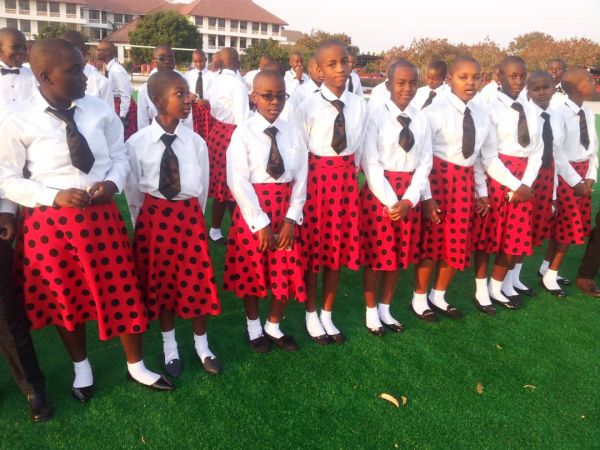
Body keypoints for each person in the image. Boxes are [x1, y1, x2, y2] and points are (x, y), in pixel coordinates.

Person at [0, 39, 173, 403]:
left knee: (121, 289)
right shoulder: (17, 120)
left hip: (101, 219)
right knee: (66, 296)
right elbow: (7, 178)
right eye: (74, 70)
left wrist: (112, 183)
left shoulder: (98, 109)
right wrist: (52, 195)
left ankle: (136, 364)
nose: (85, 75)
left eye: (83, 67)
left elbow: (120, 155)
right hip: (51, 224)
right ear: (45, 76)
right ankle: (82, 367)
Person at [125, 70, 221, 378]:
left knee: (196, 282)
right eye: (179, 94)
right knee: (163, 284)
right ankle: (170, 347)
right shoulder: (137, 143)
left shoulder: (196, 143)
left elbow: (202, 187)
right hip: (155, 220)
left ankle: (202, 344)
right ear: (157, 101)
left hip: (188, 219)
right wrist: (142, 225)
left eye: (188, 93)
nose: (188, 99)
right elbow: (133, 191)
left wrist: (196, 220)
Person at [413, 55, 518, 320]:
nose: (470, 83)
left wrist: (481, 191)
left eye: (476, 77)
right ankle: (419, 298)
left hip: (463, 184)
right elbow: (422, 157)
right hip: (437, 181)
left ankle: (439, 295)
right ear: (450, 79)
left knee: (456, 241)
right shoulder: (433, 112)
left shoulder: (482, 114)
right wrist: (426, 197)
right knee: (432, 243)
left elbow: (483, 157)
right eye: (463, 77)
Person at [224, 70, 308, 352]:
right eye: (267, 96)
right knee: (252, 270)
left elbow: (301, 176)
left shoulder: (293, 131)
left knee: (285, 267)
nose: (275, 102)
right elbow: (237, 180)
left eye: (280, 96)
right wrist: (259, 223)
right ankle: (253, 327)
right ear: (254, 98)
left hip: (285, 209)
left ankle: (273, 325)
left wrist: (292, 218)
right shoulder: (243, 133)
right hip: (254, 210)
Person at [296, 41, 368, 344]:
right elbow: (300, 153)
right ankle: (311, 312)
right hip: (315, 183)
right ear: (318, 69)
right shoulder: (307, 106)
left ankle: (327, 312)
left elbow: (359, 147)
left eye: (344, 62)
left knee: (336, 251)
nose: (340, 69)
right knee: (315, 251)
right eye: (332, 64)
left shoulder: (360, 104)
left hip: (345, 183)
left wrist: (352, 176)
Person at [0, 26, 51, 423]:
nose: (19, 54)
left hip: (11, 188)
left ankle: (33, 386)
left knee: (6, 307)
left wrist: (7, 208)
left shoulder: (32, 81)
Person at [360, 60, 432, 334]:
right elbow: (370, 161)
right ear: (388, 84)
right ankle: (370, 311)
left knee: (399, 256)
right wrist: (392, 202)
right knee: (377, 257)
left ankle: (385, 308)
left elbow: (425, 162)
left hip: (408, 195)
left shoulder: (421, 118)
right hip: (381, 194)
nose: (407, 88)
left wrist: (409, 200)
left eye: (413, 83)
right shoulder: (375, 116)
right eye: (401, 83)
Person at [472, 56, 542, 308]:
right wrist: (515, 185)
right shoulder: (490, 109)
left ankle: (497, 287)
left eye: (523, 76)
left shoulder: (530, 109)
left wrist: (526, 185)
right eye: (513, 76)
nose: (519, 81)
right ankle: (481, 290)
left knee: (514, 239)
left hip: (524, 181)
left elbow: (537, 151)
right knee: (487, 239)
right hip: (499, 178)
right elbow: (488, 156)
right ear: (498, 77)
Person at [542, 69, 598, 297]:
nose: (593, 82)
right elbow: (557, 152)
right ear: (576, 87)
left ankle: (546, 267)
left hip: (583, 174)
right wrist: (576, 181)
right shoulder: (559, 113)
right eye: (589, 80)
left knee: (567, 227)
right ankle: (551, 274)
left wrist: (591, 174)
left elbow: (592, 147)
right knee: (567, 227)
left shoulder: (587, 111)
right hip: (566, 175)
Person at [526, 71, 572, 287]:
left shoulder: (556, 116)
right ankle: (506, 281)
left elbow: (557, 154)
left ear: (554, 88)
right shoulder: (525, 114)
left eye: (546, 87)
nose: (542, 92)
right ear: (528, 91)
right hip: (527, 178)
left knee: (534, 230)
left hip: (546, 178)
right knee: (522, 229)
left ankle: (514, 279)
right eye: (536, 89)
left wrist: (554, 192)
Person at [205, 47, 250, 245]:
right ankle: (218, 230)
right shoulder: (237, 85)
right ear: (237, 62)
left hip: (217, 132)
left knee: (224, 184)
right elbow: (242, 119)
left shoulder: (216, 80)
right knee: (230, 184)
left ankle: (229, 227)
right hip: (231, 134)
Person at [137, 45, 192, 130]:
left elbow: (188, 120)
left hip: (180, 132)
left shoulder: (183, 85)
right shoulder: (144, 89)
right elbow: (142, 120)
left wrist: (188, 134)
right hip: (154, 133)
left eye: (170, 59)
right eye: (162, 58)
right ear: (154, 62)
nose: (167, 61)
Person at [59, 30, 113, 109]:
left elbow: (109, 114)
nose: (65, 54)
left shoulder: (101, 83)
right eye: (61, 50)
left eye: (70, 49)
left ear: (84, 51)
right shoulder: (50, 81)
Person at [96, 40, 138, 140]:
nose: (96, 52)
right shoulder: (108, 68)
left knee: (125, 138)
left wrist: (122, 116)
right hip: (115, 104)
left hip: (123, 107)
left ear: (107, 52)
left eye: (99, 49)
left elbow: (125, 94)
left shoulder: (117, 70)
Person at [184, 49, 214, 140]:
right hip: (193, 108)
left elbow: (215, 94)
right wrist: (189, 95)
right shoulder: (188, 75)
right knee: (193, 132)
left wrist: (207, 101)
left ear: (205, 59)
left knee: (206, 133)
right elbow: (184, 91)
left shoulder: (212, 76)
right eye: (195, 62)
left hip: (206, 109)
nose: (198, 64)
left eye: (201, 61)